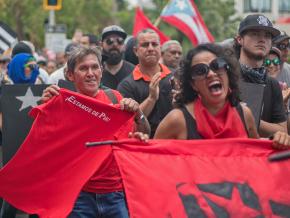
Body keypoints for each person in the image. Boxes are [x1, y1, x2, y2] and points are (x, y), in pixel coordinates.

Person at [41, 45, 150, 217]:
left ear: (101, 71)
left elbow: (145, 132)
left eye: (94, 67)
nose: (90, 73)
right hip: (78, 196)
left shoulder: (116, 98)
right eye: (83, 68)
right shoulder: (61, 103)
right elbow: (42, 146)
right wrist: (46, 109)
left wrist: (138, 113)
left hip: (116, 195)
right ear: (70, 75)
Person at [154, 43, 290, 149]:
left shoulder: (245, 114)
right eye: (200, 70)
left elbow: (255, 155)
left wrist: (278, 140)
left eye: (217, 65)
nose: (211, 73)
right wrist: (139, 142)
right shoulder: (177, 120)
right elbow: (151, 160)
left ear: (227, 73)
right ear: (193, 84)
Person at [234, 14, 287, 138]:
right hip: (230, 153)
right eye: (255, 34)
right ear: (239, 39)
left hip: (260, 155)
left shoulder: (272, 84)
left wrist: (248, 119)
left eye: (267, 36)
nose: (262, 39)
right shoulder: (226, 77)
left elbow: (282, 131)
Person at [117, 29, 173, 137]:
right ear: (135, 51)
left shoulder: (175, 77)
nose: (151, 48)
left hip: (174, 143)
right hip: (144, 144)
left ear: (160, 49)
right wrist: (151, 98)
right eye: (145, 45)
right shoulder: (126, 85)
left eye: (155, 44)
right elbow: (128, 123)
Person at [100, 25, 135, 89]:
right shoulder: (95, 71)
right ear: (101, 45)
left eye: (120, 41)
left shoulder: (134, 72)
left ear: (124, 46)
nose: (115, 44)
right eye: (109, 41)